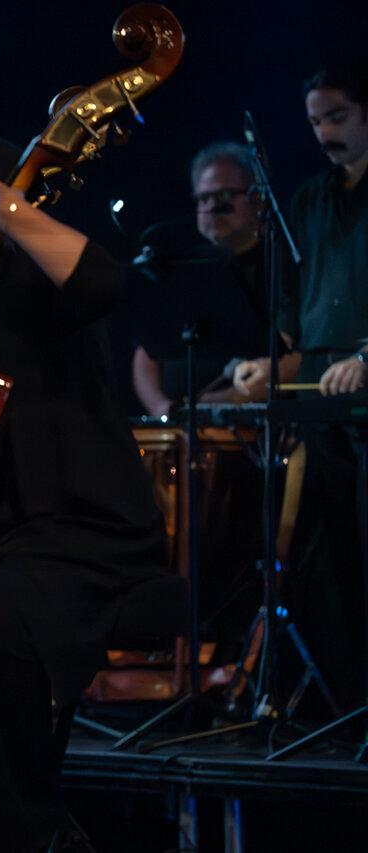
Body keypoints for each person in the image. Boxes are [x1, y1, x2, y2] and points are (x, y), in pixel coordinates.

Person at [0, 129, 168, 851]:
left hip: (78, 528)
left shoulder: (26, 276)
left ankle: (24, 829)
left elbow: (104, 283)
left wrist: (9, 207)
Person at [233, 64, 368, 709]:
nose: (323, 132)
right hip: (320, 384)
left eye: (336, 117)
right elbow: (294, 304)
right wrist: (271, 362)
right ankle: (348, 700)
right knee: (330, 548)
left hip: (361, 377)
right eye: (315, 121)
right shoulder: (311, 198)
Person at [131, 141, 295, 417]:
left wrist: (220, 403)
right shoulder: (185, 266)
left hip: (253, 425)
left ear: (257, 198)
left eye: (224, 196)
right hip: (181, 428)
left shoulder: (284, 262)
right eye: (203, 198)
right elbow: (147, 351)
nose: (212, 207)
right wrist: (162, 410)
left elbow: (300, 353)